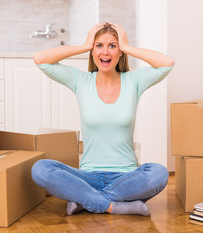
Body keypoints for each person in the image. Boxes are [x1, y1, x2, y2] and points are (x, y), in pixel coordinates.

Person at [31, 22, 174, 216]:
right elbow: (40, 59)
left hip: (127, 176)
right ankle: (114, 206)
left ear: (120, 52)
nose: (105, 51)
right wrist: (84, 45)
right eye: (99, 45)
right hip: (88, 176)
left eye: (112, 46)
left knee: (159, 173)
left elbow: (166, 63)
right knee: (41, 168)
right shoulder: (81, 81)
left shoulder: (133, 81)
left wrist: (127, 46)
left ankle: (85, 200)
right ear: (92, 50)